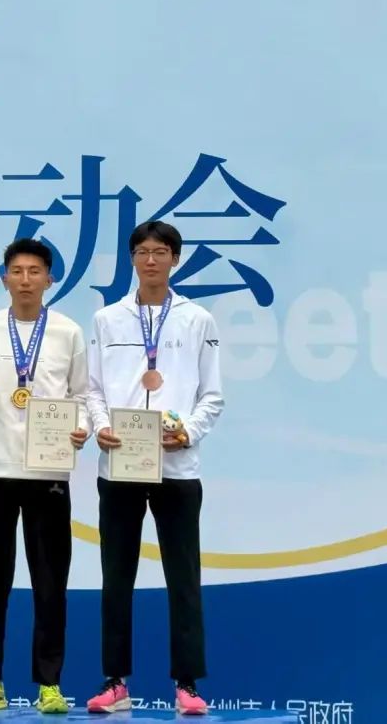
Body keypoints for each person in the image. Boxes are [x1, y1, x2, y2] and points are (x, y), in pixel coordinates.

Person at [84, 221, 224, 716]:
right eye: (142, 252)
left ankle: (187, 684)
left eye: (160, 252)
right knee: (115, 576)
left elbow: (212, 395)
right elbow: (92, 389)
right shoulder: (107, 319)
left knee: (183, 577)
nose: (150, 260)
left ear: (174, 259)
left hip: (178, 467)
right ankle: (115, 682)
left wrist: (189, 432)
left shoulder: (198, 320)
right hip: (120, 464)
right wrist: (101, 427)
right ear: (131, 259)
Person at [0, 238, 90, 715]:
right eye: (17, 271)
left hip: (48, 469)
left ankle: (49, 684)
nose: (26, 280)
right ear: (4, 277)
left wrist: (81, 428)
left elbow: (82, 397)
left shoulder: (69, 332)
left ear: (50, 279)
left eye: (35, 271)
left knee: (50, 581)